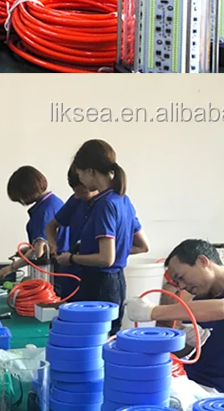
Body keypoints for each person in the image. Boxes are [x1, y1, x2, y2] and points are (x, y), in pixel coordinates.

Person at [125, 239, 224, 399]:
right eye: (177, 282)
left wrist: (152, 311)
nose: (181, 286)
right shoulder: (199, 301)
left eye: (181, 277)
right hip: (192, 383)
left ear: (202, 261)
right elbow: (183, 353)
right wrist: (188, 342)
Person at [55, 139, 149, 335]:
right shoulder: (123, 200)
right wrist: (119, 251)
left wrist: (72, 258)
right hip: (116, 283)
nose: (80, 179)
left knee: (93, 339)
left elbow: (106, 259)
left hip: (100, 284)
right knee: (108, 337)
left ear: (90, 171)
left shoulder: (104, 205)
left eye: (80, 173)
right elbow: (142, 246)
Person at [0, 166, 65, 280]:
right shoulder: (55, 202)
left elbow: (39, 252)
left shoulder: (43, 212)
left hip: (54, 273)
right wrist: (29, 250)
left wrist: (11, 268)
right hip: (63, 268)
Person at [45, 164, 97, 301]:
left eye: (82, 192)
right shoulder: (75, 201)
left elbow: (142, 246)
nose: (78, 196)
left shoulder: (106, 206)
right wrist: (52, 244)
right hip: (72, 274)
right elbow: (51, 226)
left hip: (97, 278)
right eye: (75, 192)